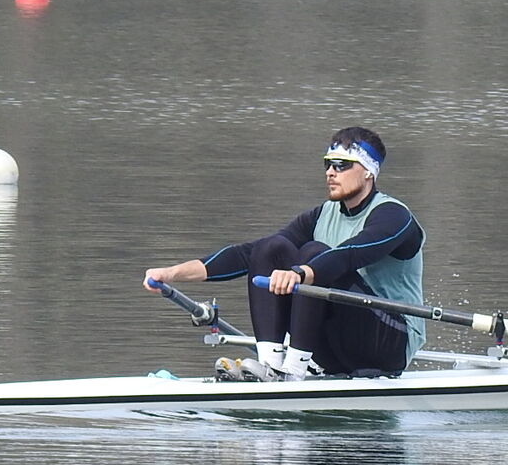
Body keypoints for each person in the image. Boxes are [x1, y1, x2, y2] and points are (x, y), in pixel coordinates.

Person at [143, 127, 426, 380]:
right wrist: (172, 273)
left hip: (389, 343)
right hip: (338, 341)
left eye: (341, 165)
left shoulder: (394, 216)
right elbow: (248, 255)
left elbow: (350, 254)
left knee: (314, 252)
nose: (330, 172)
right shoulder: (322, 214)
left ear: (368, 171)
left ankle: (293, 370)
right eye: (327, 164)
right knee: (271, 248)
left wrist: (300, 273)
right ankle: (271, 365)